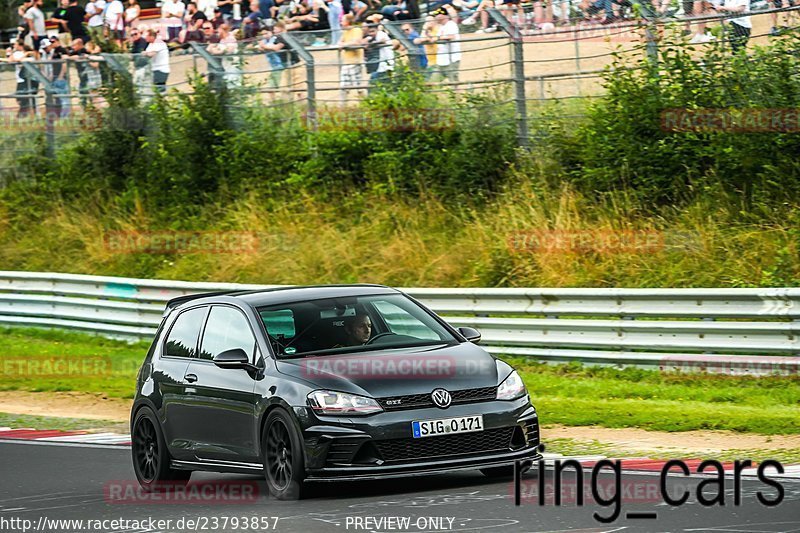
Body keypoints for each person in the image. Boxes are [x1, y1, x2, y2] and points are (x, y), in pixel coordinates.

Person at [338, 13, 363, 99]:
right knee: (343, 87)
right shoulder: (345, 32)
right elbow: (339, 43)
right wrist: (344, 44)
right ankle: (342, 107)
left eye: (342, 21)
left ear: (348, 22)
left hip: (355, 61)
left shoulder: (356, 30)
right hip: (346, 62)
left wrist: (345, 45)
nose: (341, 23)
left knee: (358, 86)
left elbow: (356, 42)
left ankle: (364, 104)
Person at [432, 10, 460, 83]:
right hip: (441, 60)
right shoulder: (441, 27)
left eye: (437, 15)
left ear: (444, 15)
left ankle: (457, 94)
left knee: (454, 83)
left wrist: (437, 38)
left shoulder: (451, 24)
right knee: (433, 82)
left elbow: (451, 37)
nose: (435, 17)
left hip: (451, 60)